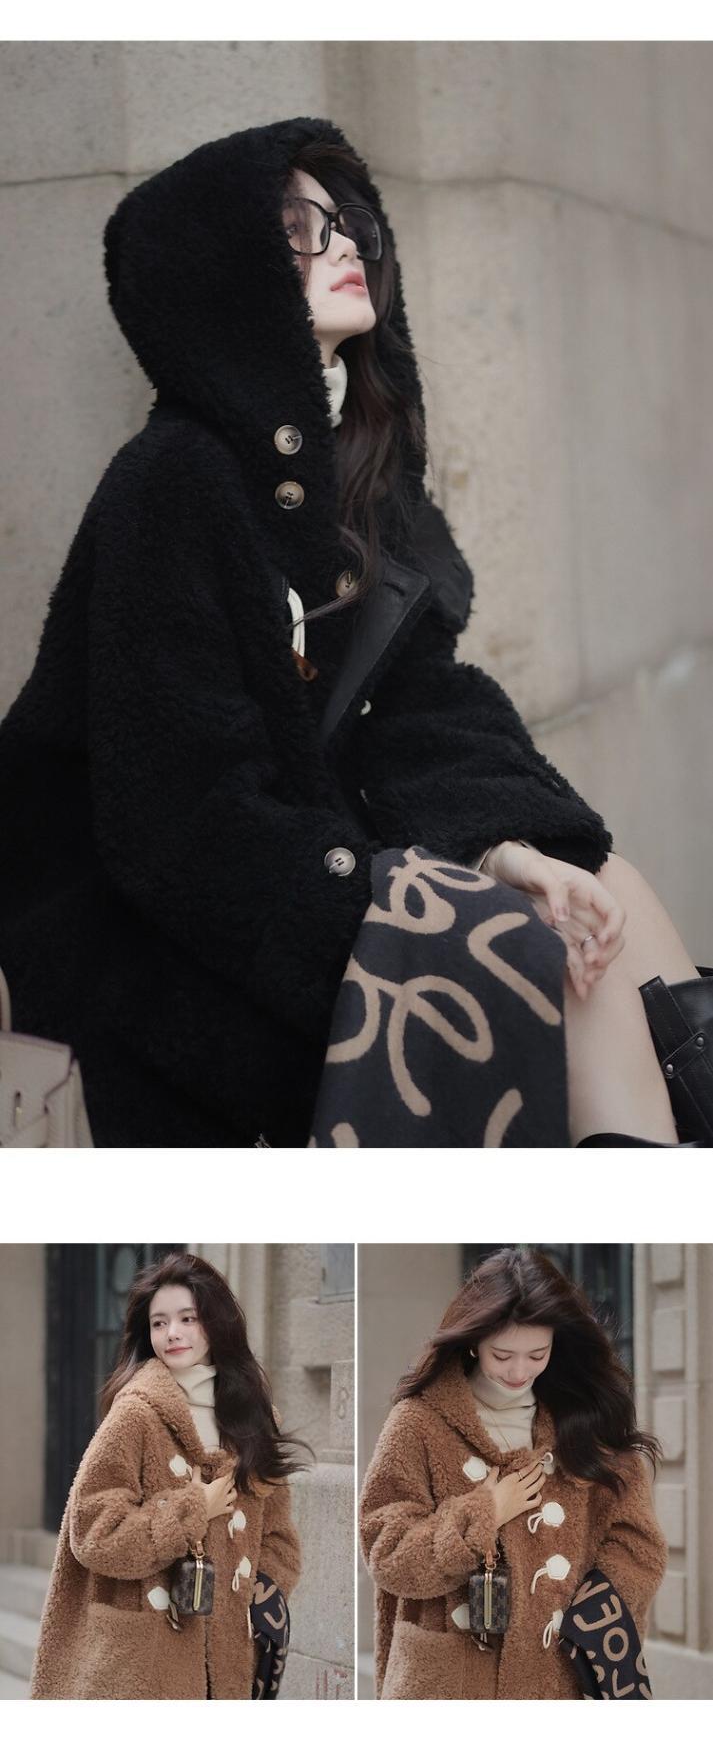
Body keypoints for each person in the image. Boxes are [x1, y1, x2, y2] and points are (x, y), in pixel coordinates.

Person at [0, 118, 706, 1151]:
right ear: (226, 270)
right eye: (298, 226)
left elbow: (421, 708)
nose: (342, 245)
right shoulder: (173, 480)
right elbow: (179, 819)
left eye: (350, 224)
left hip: (317, 871)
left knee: (604, 889)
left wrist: (505, 846)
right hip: (174, 949)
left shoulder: (360, 477)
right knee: (538, 951)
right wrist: (400, 911)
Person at [359, 1246, 667, 1699]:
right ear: (473, 1341)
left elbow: (638, 1545)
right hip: (451, 1683)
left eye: (537, 1354)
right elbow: (385, 1552)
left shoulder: (585, 1420)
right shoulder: (418, 1422)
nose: (520, 1371)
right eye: (502, 1355)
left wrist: (587, 1615)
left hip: (560, 1675)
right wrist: (485, 1512)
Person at [31, 1249, 301, 1698]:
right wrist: (193, 1509)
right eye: (159, 1323)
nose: (172, 1333)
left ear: (216, 1322)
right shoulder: (135, 1414)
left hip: (228, 1657)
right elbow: (93, 1531)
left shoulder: (256, 1418)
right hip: (147, 1658)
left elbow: (279, 1536)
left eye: (187, 1319)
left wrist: (259, 1593)